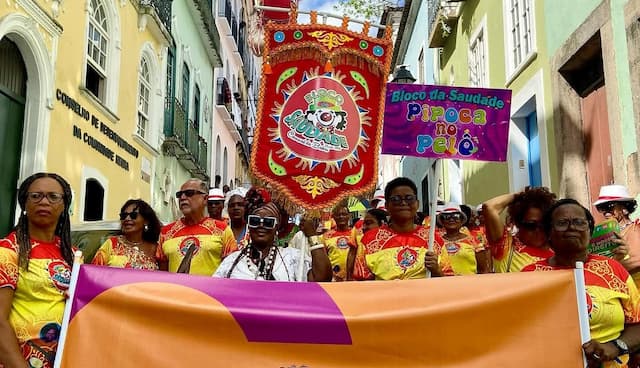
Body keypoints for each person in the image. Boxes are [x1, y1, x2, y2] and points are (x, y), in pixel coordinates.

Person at [522, 199, 638, 368]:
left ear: (590, 232)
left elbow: (637, 322)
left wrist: (615, 347)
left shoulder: (613, 269)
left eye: (579, 222)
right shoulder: (530, 276)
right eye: (562, 223)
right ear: (548, 234)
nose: (572, 227)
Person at [0, 173, 74, 368]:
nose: (44, 201)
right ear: (24, 204)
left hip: (62, 358)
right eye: (35, 196)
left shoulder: (73, 255)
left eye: (53, 196)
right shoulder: (8, 250)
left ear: (64, 205)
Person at [214, 202, 332, 281]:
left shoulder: (291, 258)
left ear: (277, 228)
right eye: (255, 221)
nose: (261, 226)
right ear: (249, 226)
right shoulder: (231, 262)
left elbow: (322, 278)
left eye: (268, 222)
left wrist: (312, 235)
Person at [353, 177, 441, 280]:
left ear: (417, 204)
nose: (403, 203)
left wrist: (437, 271)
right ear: (386, 206)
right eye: (396, 199)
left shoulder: (433, 239)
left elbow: (451, 285)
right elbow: (360, 282)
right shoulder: (370, 240)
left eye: (409, 198)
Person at [157, 179, 236, 275]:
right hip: (175, 289)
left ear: (205, 199)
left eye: (189, 193)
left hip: (208, 290)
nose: (182, 197)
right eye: (179, 195)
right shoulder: (166, 232)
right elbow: (162, 274)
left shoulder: (222, 230)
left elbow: (231, 270)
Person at [483, 187, 557, 272]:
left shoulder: (559, 252)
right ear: (518, 223)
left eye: (544, 224)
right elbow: (489, 207)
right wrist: (519, 196)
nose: (538, 230)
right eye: (531, 225)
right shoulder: (506, 247)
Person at [91, 199, 162, 270]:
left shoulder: (156, 249)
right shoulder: (112, 244)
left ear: (146, 221)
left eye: (133, 215)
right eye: (123, 216)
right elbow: (94, 273)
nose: (127, 218)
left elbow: (164, 277)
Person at [594, 185, 640, 286]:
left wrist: (609, 270)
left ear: (624, 208)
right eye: (601, 208)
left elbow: (638, 261)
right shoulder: (606, 232)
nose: (605, 212)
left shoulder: (633, 229)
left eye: (609, 207)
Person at [435, 203, 490, 276]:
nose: (451, 219)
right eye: (447, 216)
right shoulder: (436, 242)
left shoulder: (474, 241)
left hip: (469, 285)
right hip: (444, 285)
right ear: (442, 221)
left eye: (456, 216)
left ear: (461, 220)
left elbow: (483, 270)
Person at [346, 208, 387, 281]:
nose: (363, 227)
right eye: (364, 223)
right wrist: (349, 277)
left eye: (368, 223)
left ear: (383, 224)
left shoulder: (389, 245)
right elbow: (352, 252)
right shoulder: (360, 235)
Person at [323, 200, 354, 281]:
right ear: (333, 217)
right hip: (334, 280)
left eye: (344, 214)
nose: (341, 217)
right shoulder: (326, 236)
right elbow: (324, 260)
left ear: (349, 216)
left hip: (353, 279)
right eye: (338, 215)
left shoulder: (356, 234)